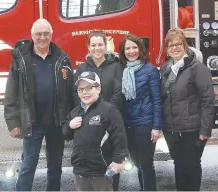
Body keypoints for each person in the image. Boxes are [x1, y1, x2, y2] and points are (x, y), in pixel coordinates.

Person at [4, 18, 74, 191]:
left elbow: (71, 91)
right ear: (32, 35)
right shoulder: (21, 59)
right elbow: (11, 92)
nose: (42, 37)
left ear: (51, 35)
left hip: (56, 123)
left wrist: (71, 119)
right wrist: (13, 123)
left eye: (46, 34)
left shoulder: (62, 58)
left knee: (55, 167)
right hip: (32, 123)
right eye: (38, 34)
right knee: (28, 165)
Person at [160, 28, 215, 191]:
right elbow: (164, 98)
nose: (174, 48)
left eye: (178, 44)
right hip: (172, 130)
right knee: (179, 166)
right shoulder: (165, 69)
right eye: (170, 45)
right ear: (167, 49)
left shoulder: (197, 68)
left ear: (185, 46)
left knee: (191, 167)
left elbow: (208, 101)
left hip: (192, 129)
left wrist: (205, 131)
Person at [73, 30, 124, 190]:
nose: (97, 48)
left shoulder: (116, 66)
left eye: (100, 44)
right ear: (88, 47)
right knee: (94, 163)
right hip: (90, 123)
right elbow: (77, 94)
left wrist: (107, 113)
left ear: (106, 45)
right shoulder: (82, 68)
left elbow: (118, 91)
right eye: (93, 45)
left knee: (111, 163)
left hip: (110, 121)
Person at [62, 71, 129, 191]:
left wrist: (119, 160)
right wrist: (69, 126)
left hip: (101, 171)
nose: (84, 92)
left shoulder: (108, 110)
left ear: (98, 88)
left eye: (88, 88)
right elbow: (66, 135)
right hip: (80, 170)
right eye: (80, 89)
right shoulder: (75, 112)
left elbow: (119, 136)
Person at [119, 34, 163, 191]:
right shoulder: (122, 70)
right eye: (128, 48)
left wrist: (157, 127)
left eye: (134, 47)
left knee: (145, 163)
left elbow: (157, 99)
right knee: (136, 162)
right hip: (128, 123)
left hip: (145, 122)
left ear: (140, 49)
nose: (131, 51)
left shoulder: (150, 70)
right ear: (123, 51)